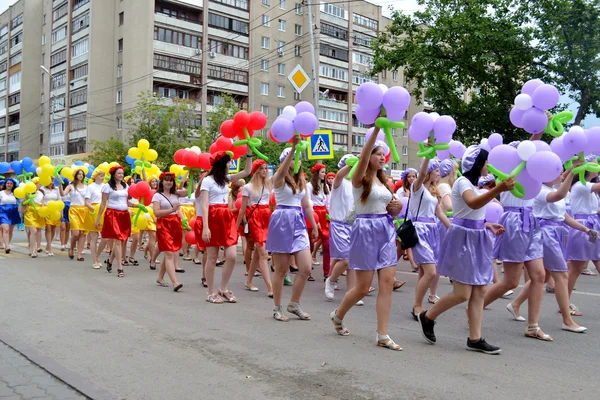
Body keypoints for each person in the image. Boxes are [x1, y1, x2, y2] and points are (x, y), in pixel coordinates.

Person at [418, 145, 513, 354]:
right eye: (486, 162)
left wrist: (486, 224)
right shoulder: (462, 182)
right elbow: (472, 203)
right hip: (463, 239)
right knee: (462, 293)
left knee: (480, 290)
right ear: (479, 164)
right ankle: (427, 316)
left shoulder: (474, 184)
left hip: (477, 237)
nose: (489, 166)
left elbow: (471, 212)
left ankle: (475, 338)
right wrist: (498, 189)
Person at [330, 134, 403, 351]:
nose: (382, 158)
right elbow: (362, 160)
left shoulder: (385, 180)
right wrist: (375, 131)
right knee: (362, 287)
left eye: (383, 154)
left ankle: (383, 335)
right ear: (368, 156)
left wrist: (397, 208)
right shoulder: (359, 179)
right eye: (378, 154)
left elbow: (392, 208)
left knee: (387, 282)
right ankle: (338, 315)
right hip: (365, 230)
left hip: (386, 229)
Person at [508, 165, 590, 333]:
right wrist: (572, 173)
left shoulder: (553, 189)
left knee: (543, 277)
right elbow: (558, 195)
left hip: (555, 234)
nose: (560, 175)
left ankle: (515, 304)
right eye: (557, 173)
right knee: (561, 274)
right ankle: (567, 320)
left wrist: (586, 229)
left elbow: (563, 217)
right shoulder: (540, 190)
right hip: (546, 235)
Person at [484, 140, 550, 341]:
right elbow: (528, 146)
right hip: (513, 220)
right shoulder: (508, 171)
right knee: (511, 281)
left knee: (539, 275)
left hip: (531, 219)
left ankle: (533, 326)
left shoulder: (532, 168)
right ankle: (475, 308)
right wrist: (537, 131)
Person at [266, 141, 318, 321]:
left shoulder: (302, 181)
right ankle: (277, 307)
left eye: (299, 159)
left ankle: (294, 303)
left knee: (306, 267)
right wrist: (294, 150)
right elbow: (281, 171)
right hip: (282, 219)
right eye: (294, 159)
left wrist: (314, 225)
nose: (297, 162)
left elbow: (306, 205)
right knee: (281, 269)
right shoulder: (277, 180)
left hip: (298, 221)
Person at [200, 150, 253, 303]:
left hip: (226, 217)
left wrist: (249, 154)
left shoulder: (226, 179)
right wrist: (205, 227)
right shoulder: (207, 180)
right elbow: (204, 205)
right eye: (229, 162)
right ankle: (211, 292)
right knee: (212, 257)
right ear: (222, 164)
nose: (230, 165)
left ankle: (223, 288)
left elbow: (247, 171)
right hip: (213, 217)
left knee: (232, 255)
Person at [410, 158, 450, 318]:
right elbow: (420, 174)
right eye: (436, 171)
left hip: (432, 230)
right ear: (429, 172)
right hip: (419, 229)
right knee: (431, 271)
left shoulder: (434, 191)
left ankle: (417, 304)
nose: (439, 174)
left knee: (423, 271)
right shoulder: (417, 187)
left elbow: (439, 213)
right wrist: (428, 155)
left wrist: (453, 229)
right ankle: (417, 307)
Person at [324, 156, 365, 305]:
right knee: (346, 260)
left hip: (353, 226)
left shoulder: (357, 185)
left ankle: (351, 293)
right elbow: (340, 174)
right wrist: (355, 160)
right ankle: (331, 280)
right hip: (339, 224)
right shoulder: (339, 183)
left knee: (352, 262)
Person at [565, 157, 600, 313]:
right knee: (576, 267)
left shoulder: (588, 188)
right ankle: (564, 302)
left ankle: (564, 302)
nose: (597, 167)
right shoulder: (581, 185)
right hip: (583, 228)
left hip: (592, 227)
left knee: (597, 259)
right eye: (594, 165)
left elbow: (593, 209)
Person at [236, 159, 273, 296]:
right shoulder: (248, 187)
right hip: (255, 218)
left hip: (266, 217)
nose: (265, 170)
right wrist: (236, 226)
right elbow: (242, 209)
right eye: (262, 168)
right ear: (256, 170)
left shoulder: (268, 184)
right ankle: (270, 288)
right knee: (263, 253)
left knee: (258, 253)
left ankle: (249, 281)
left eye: (266, 168)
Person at [96, 165, 131, 277]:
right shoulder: (107, 186)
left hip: (124, 215)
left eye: (122, 173)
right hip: (112, 215)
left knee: (121, 240)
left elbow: (127, 202)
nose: (121, 175)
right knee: (117, 241)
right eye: (119, 173)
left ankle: (110, 261)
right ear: (114, 175)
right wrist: (98, 218)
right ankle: (120, 268)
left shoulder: (126, 186)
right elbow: (103, 203)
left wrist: (137, 205)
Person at [152, 172, 184, 292]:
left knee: (170, 251)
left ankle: (160, 277)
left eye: (171, 180)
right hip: (164, 224)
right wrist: (171, 210)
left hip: (175, 224)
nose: (169, 182)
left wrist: (190, 174)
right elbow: (156, 212)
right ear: (162, 182)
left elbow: (190, 192)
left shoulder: (176, 194)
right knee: (169, 253)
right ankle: (175, 282)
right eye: (166, 180)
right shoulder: (157, 196)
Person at [59, 169, 93, 261]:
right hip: (74, 210)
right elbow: (62, 194)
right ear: (75, 175)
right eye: (79, 174)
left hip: (84, 210)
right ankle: (71, 248)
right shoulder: (71, 186)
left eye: (82, 174)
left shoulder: (87, 187)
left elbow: (89, 199)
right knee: (75, 233)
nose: (81, 176)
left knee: (82, 233)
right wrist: (60, 185)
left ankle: (79, 254)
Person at [308, 163, 330, 279]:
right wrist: (314, 220)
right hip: (314, 215)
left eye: (324, 172)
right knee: (310, 244)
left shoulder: (324, 187)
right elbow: (308, 203)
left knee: (327, 244)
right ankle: (307, 271)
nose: (324, 174)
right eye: (322, 172)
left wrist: (329, 215)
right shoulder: (309, 186)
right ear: (317, 173)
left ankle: (327, 273)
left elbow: (328, 202)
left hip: (324, 215)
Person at [398, 168, 418, 272]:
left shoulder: (418, 189)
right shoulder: (401, 191)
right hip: (403, 219)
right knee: (407, 242)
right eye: (409, 176)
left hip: (415, 218)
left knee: (403, 246)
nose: (411, 178)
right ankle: (413, 264)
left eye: (413, 176)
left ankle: (391, 264)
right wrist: (407, 197)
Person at [85, 169, 105, 269]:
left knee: (105, 237)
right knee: (94, 237)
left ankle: (97, 256)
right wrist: (94, 209)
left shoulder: (105, 186)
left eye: (104, 176)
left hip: (104, 211)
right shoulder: (90, 187)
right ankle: (95, 260)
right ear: (96, 176)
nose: (103, 178)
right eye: (101, 176)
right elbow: (87, 202)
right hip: (93, 212)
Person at [21, 178, 43, 257]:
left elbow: (42, 204)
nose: (40, 185)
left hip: (38, 213)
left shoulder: (41, 193)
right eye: (38, 184)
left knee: (36, 232)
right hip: (30, 213)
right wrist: (27, 201)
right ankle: (33, 250)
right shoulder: (28, 193)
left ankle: (33, 249)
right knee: (33, 231)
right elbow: (22, 202)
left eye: (40, 184)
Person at [40, 181, 62, 256]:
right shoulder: (42, 189)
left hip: (55, 211)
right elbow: (41, 200)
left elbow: (59, 200)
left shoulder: (56, 189)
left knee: (53, 228)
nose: (50, 182)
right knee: (48, 228)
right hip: (46, 210)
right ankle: (50, 247)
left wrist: (61, 212)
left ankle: (48, 244)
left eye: (52, 180)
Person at [0, 178, 21, 253]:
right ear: (5, 184)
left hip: (13, 212)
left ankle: (7, 244)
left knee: (10, 230)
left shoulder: (15, 193)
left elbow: (20, 202)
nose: (9, 185)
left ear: (13, 185)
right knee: (5, 229)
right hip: (3, 212)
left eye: (11, 184)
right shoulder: (1, 193)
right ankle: (7, 246)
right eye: (8, 183)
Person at [59, 180, 71, 252]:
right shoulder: (60, 190)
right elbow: (60, 199)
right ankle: (62, 244)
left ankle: (66, 243)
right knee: (63, 227)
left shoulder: (70, 189)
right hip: (63, 208)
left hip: (70, 208)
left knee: (68, 227)